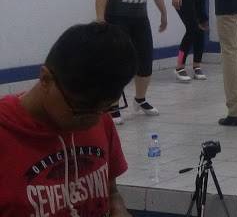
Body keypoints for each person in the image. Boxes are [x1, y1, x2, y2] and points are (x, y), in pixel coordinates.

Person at [0, 22, 136, 217]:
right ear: (45, 79)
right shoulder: (6, 132)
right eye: (81, 108)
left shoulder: (99, 116)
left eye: (105, 108)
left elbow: (111, 192)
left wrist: (118, 207)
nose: (93, 121)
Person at [95, 0, 168, 125]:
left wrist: (163, 12)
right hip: (117, 18)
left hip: (140, 19)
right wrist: (100, 18)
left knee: (145, 61)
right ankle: (112, 105)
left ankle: (140, 99)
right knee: (117, 63)